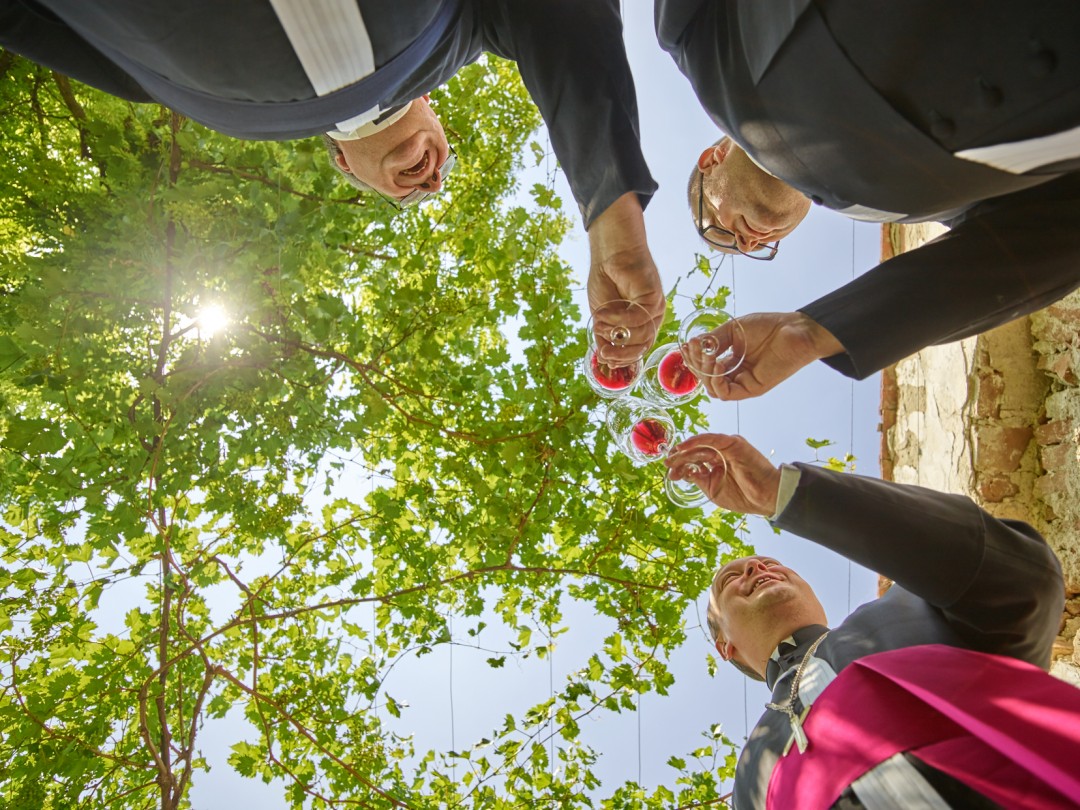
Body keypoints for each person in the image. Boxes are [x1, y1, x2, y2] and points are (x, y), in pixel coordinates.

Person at [0, 0, 665, 355]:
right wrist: (613, 214)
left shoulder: (175, 94)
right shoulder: (462, 27)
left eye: (407, 198)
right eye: (446, 167)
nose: (431, 184)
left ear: (342, 165)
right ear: (435, 111)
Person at [655, 0, 1080, 400]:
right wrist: (813, 331)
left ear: (713, 159)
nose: (746, 243)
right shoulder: (918, 209)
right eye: (756, 249)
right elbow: (1053, 240)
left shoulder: (701, 45)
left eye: (716, 226)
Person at [664, 432, 1079, 809]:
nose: (755, 567)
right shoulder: (747, 783)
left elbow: (1024, 578)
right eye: (730, 579)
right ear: (725, 646)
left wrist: (781, 494)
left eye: (766, 561)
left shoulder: (918, 600)